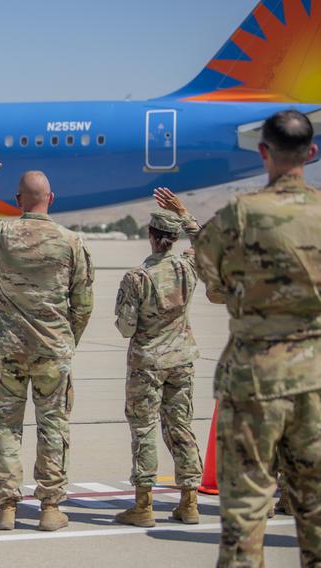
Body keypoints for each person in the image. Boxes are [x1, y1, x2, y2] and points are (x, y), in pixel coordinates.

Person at [195, 109, 320, 566]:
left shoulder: (238, 216)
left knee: (244, 514)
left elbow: (212, 283)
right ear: (311, 152)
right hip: (317, 380)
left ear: (263, 152)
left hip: (253, 381)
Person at [0, 149, 94, 532]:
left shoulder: (1, 234)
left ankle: (6, 508)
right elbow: (83, 303)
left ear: (17, 201)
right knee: (53, 427)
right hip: (52, 351)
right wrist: (66, 340)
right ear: (51, 199)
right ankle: (50, 508)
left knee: (6, 428)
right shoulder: (71, 242)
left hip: (8, 351)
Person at [113, 189, 204, 527]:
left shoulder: (137, 278)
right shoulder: (187, 267)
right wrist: (185, 214)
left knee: (145, 429)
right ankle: (189, 501)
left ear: (151, 237)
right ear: (174, 239)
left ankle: (144, 504)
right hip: (181, 360)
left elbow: (125, 327)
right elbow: (208, 246)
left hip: (147, 364)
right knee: (181, 426)